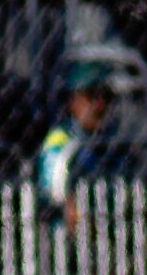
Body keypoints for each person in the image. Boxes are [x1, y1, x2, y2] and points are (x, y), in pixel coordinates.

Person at [36, 67, 113, 220]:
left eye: (106, 97)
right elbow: (52, 193)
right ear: (74, 101)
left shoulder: (109, 142)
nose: (100, 106)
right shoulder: (59, 139)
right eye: (91, 96)